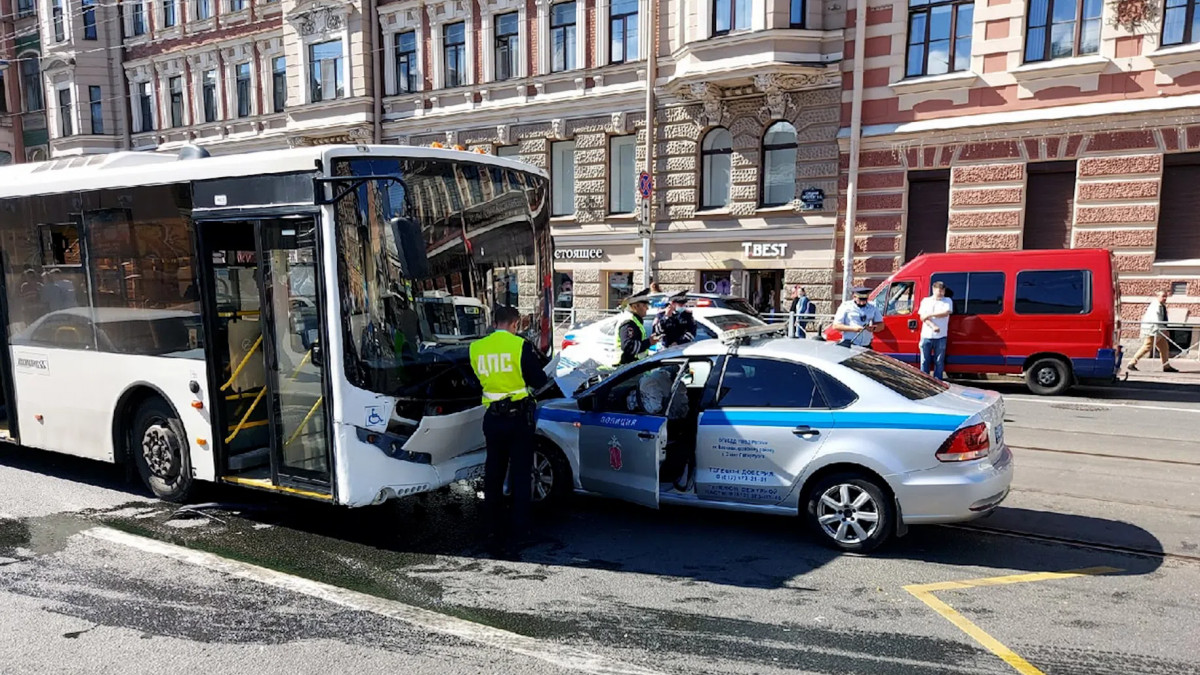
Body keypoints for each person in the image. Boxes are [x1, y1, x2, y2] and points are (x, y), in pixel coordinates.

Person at [468, 306, 550, 556]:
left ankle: (491, 525)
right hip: (518, 419)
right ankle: (520, 529)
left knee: (493, 471)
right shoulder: (519, 346)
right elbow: (538, 380)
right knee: (521, 472)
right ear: (515, 324)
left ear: (495, 322)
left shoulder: (476, 348)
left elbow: (475, 381)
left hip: (492, 418)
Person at [1127, 290, 1178, 373]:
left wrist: (1164, 329)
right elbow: (1156, 320)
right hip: (1152, 330)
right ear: (1157, 296)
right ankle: (1132, 362)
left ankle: (1166, 366)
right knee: (1147, 346)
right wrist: (1165, 330)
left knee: (1164, 348)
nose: (1165, 298)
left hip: (1158, 330)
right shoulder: (1156, 306)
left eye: (1166, 296)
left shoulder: (1161, 305)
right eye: (1163, 296)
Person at [917, 281, 953, 380]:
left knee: (939, 361)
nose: (941, 293)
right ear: (933, 290)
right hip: (926, 336)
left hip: (941, 336)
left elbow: (946, 313)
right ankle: (924, 381)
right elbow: (922, 317)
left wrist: (929, 314)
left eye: (943, 291)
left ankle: (938, 381)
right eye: (939, 291)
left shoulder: (947, 300)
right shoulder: (925, 301)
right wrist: (933, 326)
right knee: (924, 360)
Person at [615, 288, 658, 366]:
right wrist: (649, 342)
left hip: (634, 366)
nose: (647, 308)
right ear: (635, 307)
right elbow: (628, 346)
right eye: (644, 305)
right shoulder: (628, 322)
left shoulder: (635, 320)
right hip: (626, 368)